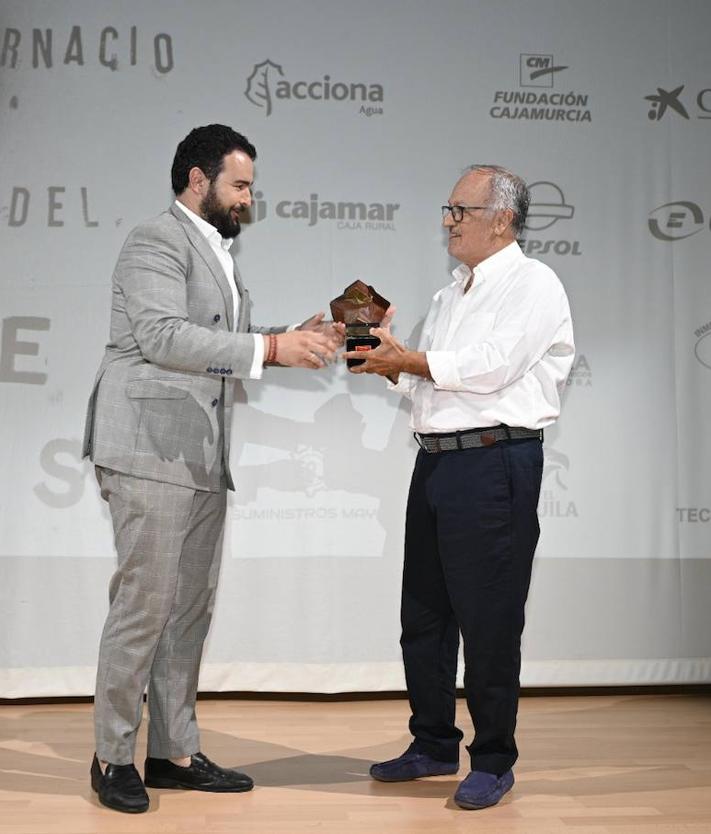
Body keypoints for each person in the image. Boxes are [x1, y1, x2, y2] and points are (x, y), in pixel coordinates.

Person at [81, 124, 342, 814]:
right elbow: (163, 337)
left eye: (251, 187)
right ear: (198, 180)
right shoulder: (155, 240)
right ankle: (111, 756)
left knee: (187, 611)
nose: (248, 199)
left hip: (199, 455)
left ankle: (171, 752)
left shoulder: (217, 252)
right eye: (240, 185)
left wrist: (299, 335)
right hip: (148, 447)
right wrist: (269, 346)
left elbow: (223, 345)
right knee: (145, 605)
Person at [345, 165, 574, 810]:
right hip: (438, 463)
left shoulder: (534, 283)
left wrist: (409, 359)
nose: (448, 221)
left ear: (501, 219)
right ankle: (433, 743)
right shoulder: (451, 294)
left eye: (460, 210)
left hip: (494, 463)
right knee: (424, 614)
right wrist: (381, 357)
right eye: (447, 210)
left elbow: (491, 368)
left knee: (490, 618)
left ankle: (494, 757)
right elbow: (429, 385)